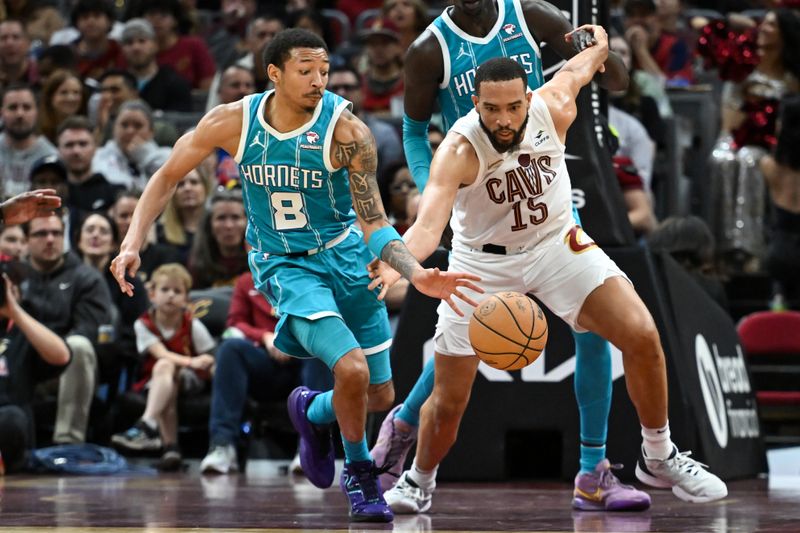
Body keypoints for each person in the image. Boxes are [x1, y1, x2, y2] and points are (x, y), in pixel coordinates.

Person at [109, 28, 479, 522]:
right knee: (351, 369)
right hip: (285, 263)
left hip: (346, 256)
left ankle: (312, 411)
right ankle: (361, 478)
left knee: (378, 395)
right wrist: (132, 240)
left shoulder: (348, 132)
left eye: (324, 70)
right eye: (306, 71)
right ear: (275, 73)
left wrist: (412, 271)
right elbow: (167, 175)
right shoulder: (233, 122)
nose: (318, 80)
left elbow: (373, 221)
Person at [371, 45, 728, 514]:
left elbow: (582, 65)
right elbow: (425, 229)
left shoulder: (554, 104)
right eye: (492, 108)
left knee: (641, 334)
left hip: (556, 245)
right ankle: (419, 479)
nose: (504, 118)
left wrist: (599, 39)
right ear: (476, 104)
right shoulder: (458, 150)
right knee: (451, 396)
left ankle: (658, 455)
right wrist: (396, 264)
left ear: (528, 99)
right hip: (482, 264)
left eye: (514, 107)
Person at [111, 263, 216, 471]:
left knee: (167, 368)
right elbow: (160, 353)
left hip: (190, 378)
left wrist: (203, 364)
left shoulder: (192, 324)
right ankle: (171, 448)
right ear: (152, 295)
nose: (170, 296)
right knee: (166, 372)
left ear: (186, 299)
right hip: (157, 380)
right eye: (165, 290)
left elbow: (211, 355)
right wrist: (190, 361)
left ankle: (147, 424)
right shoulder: (143, 324)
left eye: (177, 291)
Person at [199, 270, 303, 474]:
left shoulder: (303, 274)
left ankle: (311, 448)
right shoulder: (246, 281)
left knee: (320, 355)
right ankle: (222, 445)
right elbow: (235, 323)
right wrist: (264, 336)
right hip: (263, 361)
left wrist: (289, 340)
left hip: (302, 358)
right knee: (230, 348)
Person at [23, 212, 113, 444]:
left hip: (65, 364)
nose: (50, 239)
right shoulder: (13, 278)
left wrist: (49, 354)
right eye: (41, 234)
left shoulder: (87, 278)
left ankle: (68, 442)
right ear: (26, 241)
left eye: (56, 233)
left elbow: (88, 331)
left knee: (79, 345)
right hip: (20, 361)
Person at [0, 254, 71, 473]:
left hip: (8, 426)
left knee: (12, 418)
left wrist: (14, 310)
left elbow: (62, 356)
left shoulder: (24, 330)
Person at [0, 83, 57, 197]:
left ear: (36, 112)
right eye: (13, 107)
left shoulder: (51, 156)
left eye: (26, 107)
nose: (20, 114)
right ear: (2, 112)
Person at [187, 188, 248, 289]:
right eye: (221, 218)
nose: (229, 225)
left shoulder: (262, 261)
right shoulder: (197, 264)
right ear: (209, 224)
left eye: (236, 217)